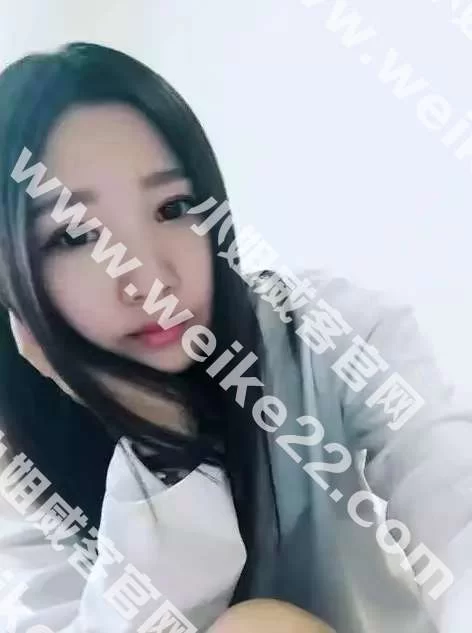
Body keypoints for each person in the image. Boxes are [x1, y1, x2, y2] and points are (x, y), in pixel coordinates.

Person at [0, 41, 468, 633]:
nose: (148, 278)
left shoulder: (320, 331)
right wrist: (159, 452)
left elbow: (453, 502)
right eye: (74, 236)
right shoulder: (24, 458)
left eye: (173, 208)